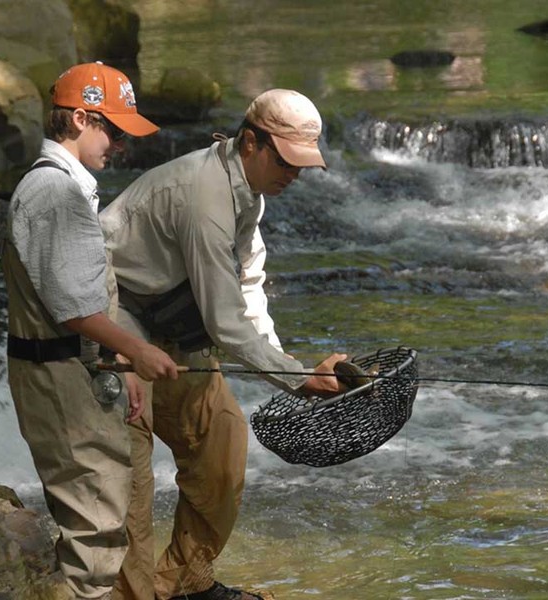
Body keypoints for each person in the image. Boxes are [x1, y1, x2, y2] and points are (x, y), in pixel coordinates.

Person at [100, 89, 347, 600]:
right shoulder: (203, 196)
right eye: (287, 162)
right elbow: (224, 320)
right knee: (133, 481)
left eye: (303, 166)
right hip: (117, 323)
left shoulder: (247, 191)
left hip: (176, 325)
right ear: (251, 142)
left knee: (223, 439)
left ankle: (184, 584)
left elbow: (248, 288)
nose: (294, 175)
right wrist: (299, 378)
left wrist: (286, 364)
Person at [1, 61, 179, 600]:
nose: (120, 145)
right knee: (94, 538)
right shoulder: (56, 194)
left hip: (64, 368)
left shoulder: (59, 186)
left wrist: (118, 361)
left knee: (98, 523)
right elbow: (73, 310)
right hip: (58, 378)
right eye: (114, 130)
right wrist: (138, 350)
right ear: (80, 118)